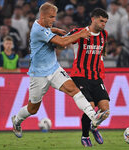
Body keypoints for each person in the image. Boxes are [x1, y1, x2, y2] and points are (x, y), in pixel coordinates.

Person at [11, 2, 108, 138]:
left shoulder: (41, 25)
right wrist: (80, 34)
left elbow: (49, 32)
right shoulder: (38, 30)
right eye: (51, 17)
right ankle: (17, 120)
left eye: (54, 17)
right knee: (32, 109)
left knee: (74, 90)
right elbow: (62, 43)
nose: (54, 20)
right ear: (42, 16)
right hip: (39, 75)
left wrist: (54, 29)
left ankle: (94, 117)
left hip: (54, 69)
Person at [67, 8, 110, 147]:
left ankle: (93, 127)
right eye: (101, 21)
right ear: (93, 19)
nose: (103, 24)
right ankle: (85, 136)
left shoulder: (104, 34)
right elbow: (62, 41)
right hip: (80, 76)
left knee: (105, 109)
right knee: (90, 106)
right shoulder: (79, 32)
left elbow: (102, 51)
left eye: (105, 22)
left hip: (96, 77)